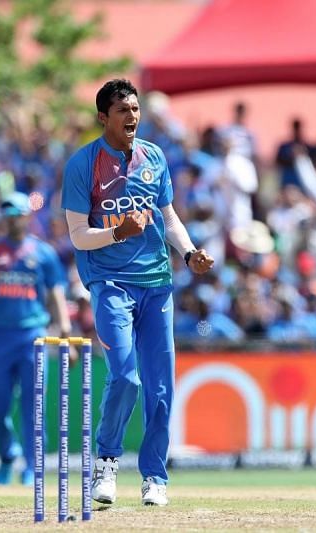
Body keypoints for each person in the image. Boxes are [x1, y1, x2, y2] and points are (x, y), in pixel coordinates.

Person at [61, 79, 214, 507]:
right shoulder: (82, 164)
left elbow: (168, 215)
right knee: (125, 376)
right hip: (109, 284)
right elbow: (77, 235)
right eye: (122, 110)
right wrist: (117, 231)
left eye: (135, 109)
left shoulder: (155, 156)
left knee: (161, 388)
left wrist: (188, 253)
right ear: (102, 118)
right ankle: (106, 462)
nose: (131, 116)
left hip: (157, 285)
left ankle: (154, 477)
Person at [0, 191, 72, 485]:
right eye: (8, 214)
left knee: (34, 405)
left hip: (33, 336)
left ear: (28, 216)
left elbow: (56, 295)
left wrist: (65, 330)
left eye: (17, 214)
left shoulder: (43, 254)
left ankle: (32, 466)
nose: (12, 219)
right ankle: (6, 456)